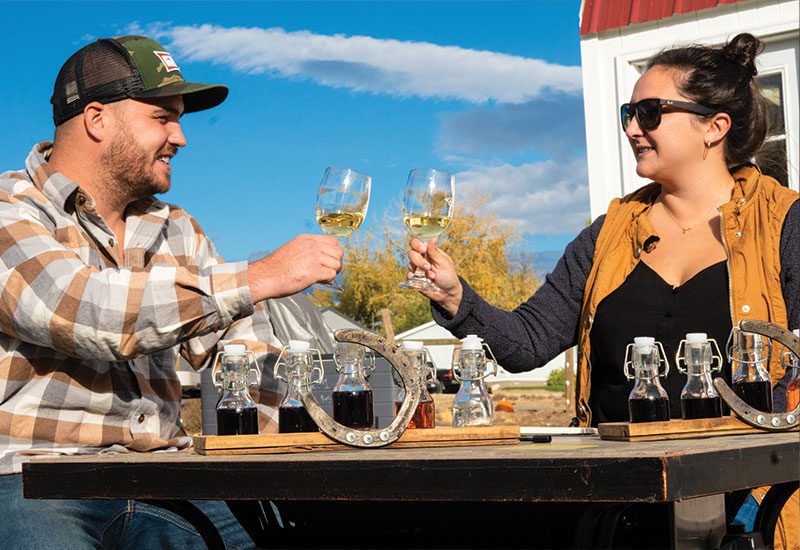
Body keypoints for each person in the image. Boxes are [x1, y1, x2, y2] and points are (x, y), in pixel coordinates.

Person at [408, 32, 799, 544]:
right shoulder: (609, 233)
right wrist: (455, 296)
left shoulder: (784, 224)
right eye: (627, 114)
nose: (633, 128)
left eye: (651, 112)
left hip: (749, 510)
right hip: (620, 507)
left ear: (714, 127)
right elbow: (528, 342)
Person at [0, 35, 342, 548]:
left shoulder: (178, 229)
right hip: (34, 481)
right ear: (97, 119)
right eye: (162, 118)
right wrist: (258, 275)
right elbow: (83, 310)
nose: (180, 138)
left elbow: (243, 351)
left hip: (168, 478)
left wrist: (276, 444)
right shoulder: (12, 211)